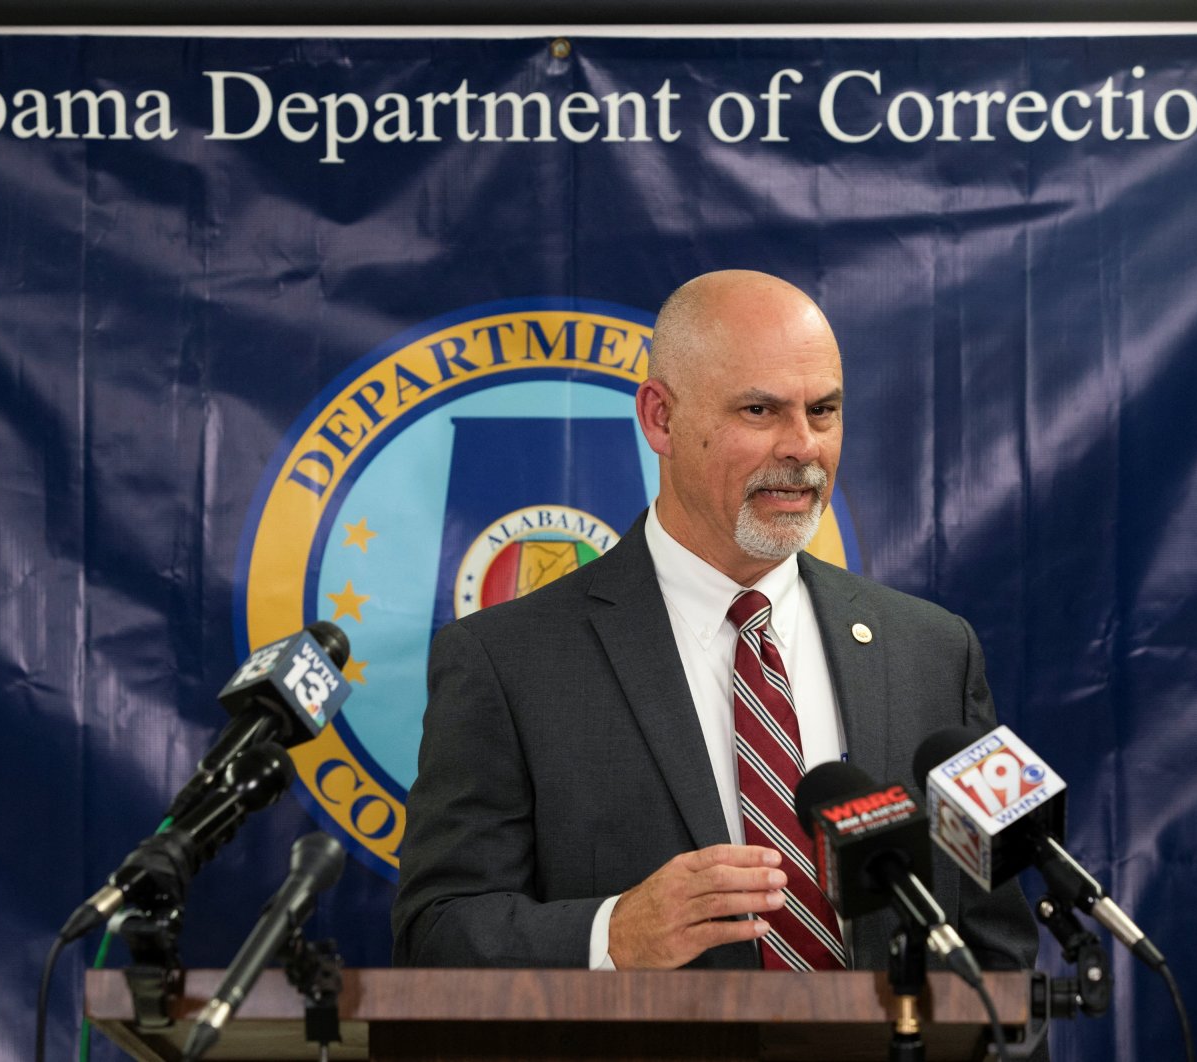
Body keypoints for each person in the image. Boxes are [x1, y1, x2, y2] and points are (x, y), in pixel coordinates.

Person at [392, 270, 1038, 975]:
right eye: (760, 412)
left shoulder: (934, 652)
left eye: (823, 411)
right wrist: (612, 934)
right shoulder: (507, 661)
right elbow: (438, 933)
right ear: (660, 419)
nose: (802, 447)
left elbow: (997, 947)